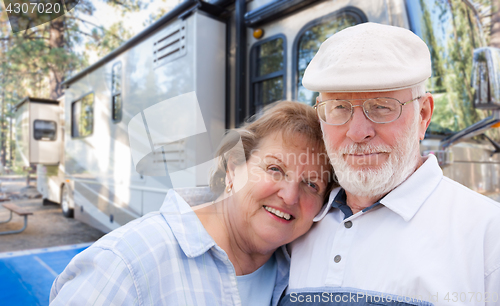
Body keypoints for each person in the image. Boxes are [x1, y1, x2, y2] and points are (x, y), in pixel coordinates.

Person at [279, 23, 500, 305]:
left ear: (423, 115)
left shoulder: (488, 236)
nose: (358, 132)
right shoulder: (294, 222)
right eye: (338, 108)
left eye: (381, 106)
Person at [50, 101, 335, 305]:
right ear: (233, 168)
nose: (290, 195)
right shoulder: (127, 262)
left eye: (312, 184)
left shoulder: (295, 272)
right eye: (275, 169)